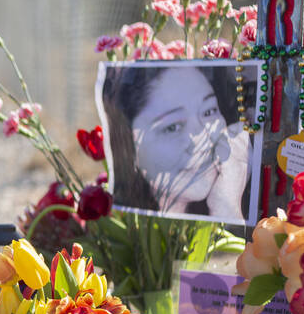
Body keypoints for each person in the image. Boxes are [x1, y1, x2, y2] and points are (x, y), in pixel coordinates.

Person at [104, 65, 249, 221]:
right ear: (128, 145)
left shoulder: (256, 207)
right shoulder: (109, 226)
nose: (204, 141)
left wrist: (226, 208)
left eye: (209, 112)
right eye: (172, 127)